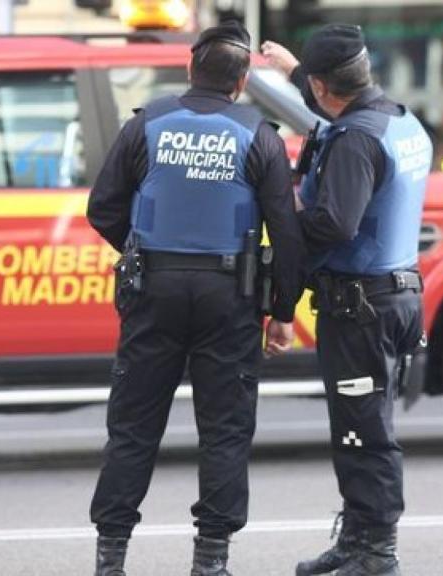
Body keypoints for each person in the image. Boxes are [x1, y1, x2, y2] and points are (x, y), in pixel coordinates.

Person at [87, 20, 305, 576]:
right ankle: (210, 561)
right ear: (242, 82)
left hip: (152, 291)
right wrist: (282, 312)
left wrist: (142, 250)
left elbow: (103, 207)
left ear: (190, 67)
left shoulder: (146, 125)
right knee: (225, 429)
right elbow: (286, 232)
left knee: (133, 427)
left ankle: (110, 559)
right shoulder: (259, 135)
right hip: (229, 295)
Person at [262, 24, 432, 576]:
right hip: (392, 297)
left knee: (366, 435)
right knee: (359, 428)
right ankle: (358, 539)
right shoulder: (399, 121)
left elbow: (334, 224)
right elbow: (328, 107)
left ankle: (376, 551)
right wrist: (293, 71)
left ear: (323, 85)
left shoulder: (355, 141)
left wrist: (285, 218)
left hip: (362, 309)